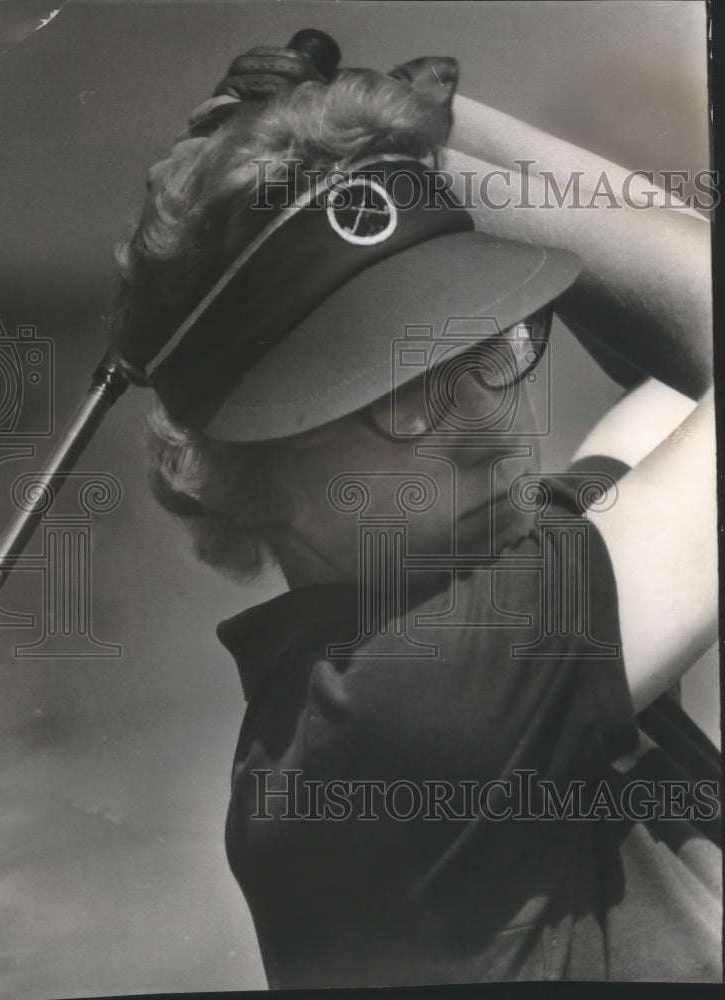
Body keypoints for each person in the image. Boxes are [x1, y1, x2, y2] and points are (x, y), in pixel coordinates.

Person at [110, 30, 720, 987]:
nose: (487, 429)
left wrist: (409, 150)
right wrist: (425, 158)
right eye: (400, 392)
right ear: (250, 471)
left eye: (485, 351)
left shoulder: (498, 590)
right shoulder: (389, 709)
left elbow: (687, 361)